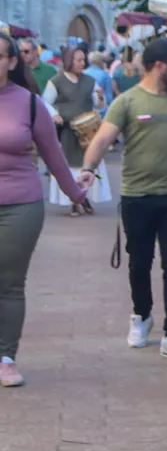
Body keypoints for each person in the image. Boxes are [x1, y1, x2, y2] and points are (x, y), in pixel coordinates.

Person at [77, 38, 167, 362]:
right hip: (137, 197)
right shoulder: (127, 102)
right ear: (160, 65)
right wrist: (88, 169)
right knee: (139, 263)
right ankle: (141, 314)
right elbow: (104, 138)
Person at [0, 33, 88, 386]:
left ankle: (6, 357)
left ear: (10, 62)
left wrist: (76, 194)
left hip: (20, 204)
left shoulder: (30, 103)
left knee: (9, 284)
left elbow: (53, 156)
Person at [43, 45, 112, 214]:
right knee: (70, 166)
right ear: (69, 61)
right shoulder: (56, 82)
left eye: (83, 59)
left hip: (88, 133)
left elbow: (98, 104)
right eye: (78, 59)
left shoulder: (89, 81)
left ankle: (86, 197)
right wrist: (54, 115)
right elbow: (45, 102)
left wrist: (101, 97)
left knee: (90, 165)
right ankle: (74, 199)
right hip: (68, 132)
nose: (82, 63)